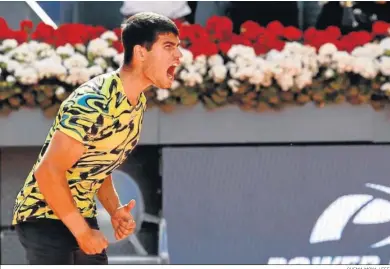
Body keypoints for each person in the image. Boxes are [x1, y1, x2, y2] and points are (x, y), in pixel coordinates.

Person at [11, 12, 182, 265]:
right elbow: (48, 172)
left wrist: (114, 210)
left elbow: (97, 164)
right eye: (169, 47)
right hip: (43, 216)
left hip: (78, 214)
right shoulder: (94, 100)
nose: (178, 56)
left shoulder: (137, 103)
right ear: (141, 52)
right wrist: (81, 231)